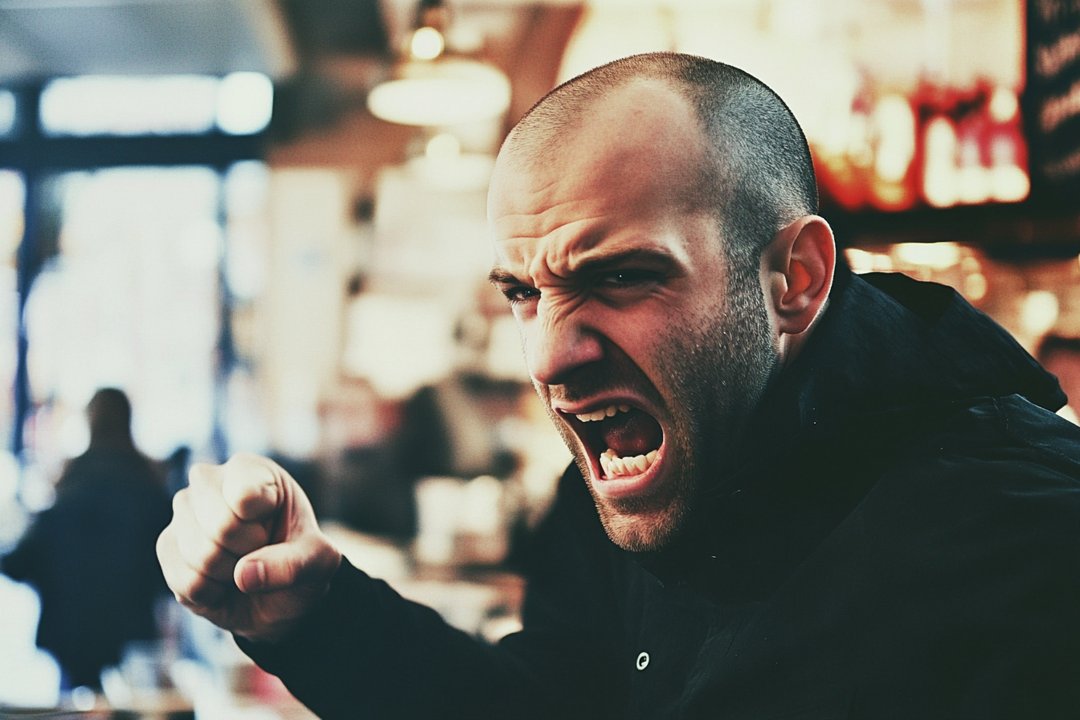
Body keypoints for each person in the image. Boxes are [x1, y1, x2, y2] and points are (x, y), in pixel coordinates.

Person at [156, 53, 1080, 718]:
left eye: (620, 277)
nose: (550, 358)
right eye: (525, 292)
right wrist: (319, 615)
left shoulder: (1024, 538)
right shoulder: (620, 487)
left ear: (792, 279)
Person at [3, 388, 173, 690]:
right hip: (133, 640)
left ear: (90, 423)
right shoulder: (151, 486)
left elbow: (22, 562)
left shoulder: (68, 484)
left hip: (73, 639)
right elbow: (170, 574)